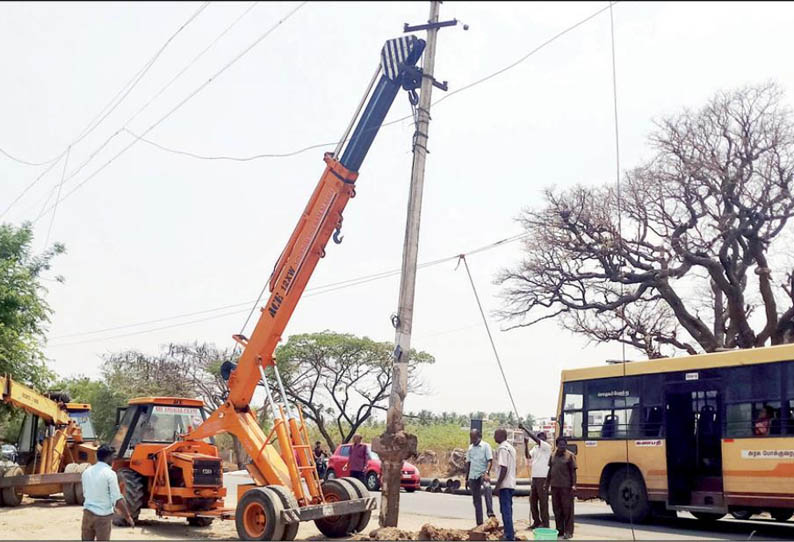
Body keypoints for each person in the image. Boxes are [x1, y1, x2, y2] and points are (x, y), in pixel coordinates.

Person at [81, 444, 134, 541]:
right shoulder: (110, 474)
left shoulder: (86, 472)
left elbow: (85, 493)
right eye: (112, 457)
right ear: (108, 457)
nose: (113, 460)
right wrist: (128, 516)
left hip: (87, 514)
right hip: (103, 517)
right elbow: (117, 499)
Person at [519, 423, 551, 530]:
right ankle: (536, 521)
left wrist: (524, 428)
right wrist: (526, 444)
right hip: (535, 477)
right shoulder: (536, 448)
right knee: (532, 500)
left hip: (543, 478)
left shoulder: (547, 447)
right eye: (539, 436)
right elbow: (528, 456)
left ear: (544, 439)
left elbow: (536, 439)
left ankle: (545, 524)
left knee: (543, 502)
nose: (539, 439)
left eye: (541, 437)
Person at [464, 428, 496, 526]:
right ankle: (479, 524)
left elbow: (490, 461)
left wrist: (486, 472)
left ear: (479, 437)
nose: (473, 440)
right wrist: (467, 478)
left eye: (474, 438)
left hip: (483, 474)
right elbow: (468, 463)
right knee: (476, 500)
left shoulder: (486, 446)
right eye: (471, 438)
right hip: (473, 476)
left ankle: (490, 513)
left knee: (487, 488)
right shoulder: (470, 448)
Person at [547, 437, 576, 540]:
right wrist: (547, 484)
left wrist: (573, 485)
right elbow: (550, 471)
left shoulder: (570, 456)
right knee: (557, 510)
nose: (562, 446)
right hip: (555, 487)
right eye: (560, 444)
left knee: (567, 510)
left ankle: (569, 532)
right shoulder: (552, 455)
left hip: (566, 487)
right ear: (557, 445)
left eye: (564, 444)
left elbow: (573, 472)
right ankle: (560, 531)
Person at [493, 429, 517, 541]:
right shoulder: (510, 447)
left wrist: (497, 486)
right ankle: (509, 532)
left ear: (501, 436)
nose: (494, 437)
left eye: (495, 434)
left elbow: (504, 468)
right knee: (508, 510)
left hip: (505, 484)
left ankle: (509, 536)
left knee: (505, 511)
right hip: (511, 483)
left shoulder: (502, 448)